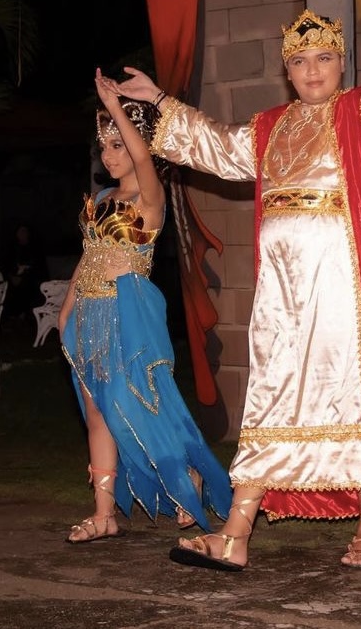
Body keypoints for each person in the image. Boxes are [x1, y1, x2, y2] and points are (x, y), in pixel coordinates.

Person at [101, 0, 361, 571]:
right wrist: (160, 100)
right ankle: (236, 533)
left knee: (355, 393)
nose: (312, 70)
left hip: (346, 290)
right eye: (299, 61)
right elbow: (215, 145)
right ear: (286, 71)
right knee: (269, 394)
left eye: (324, 58)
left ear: (341, 63)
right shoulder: (270, 128)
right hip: (281, 296)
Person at [56, 72, 234, 544]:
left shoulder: (149, 197)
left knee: (134, 402)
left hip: (126, 314)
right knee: (97, 413)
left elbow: (140, 157)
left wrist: (115, 106)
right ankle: (104, 514)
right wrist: (67, 308)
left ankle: (186, 476)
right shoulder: (103, 198)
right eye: (104, 147)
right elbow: (89, 255)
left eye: (118, 145)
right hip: (88, 314)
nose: (109, 155)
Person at [0, 222, 48, 321]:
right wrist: (12, 276)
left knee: (28, 286)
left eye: (24, 231)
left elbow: (39, 267)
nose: (23, 234)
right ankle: (12, 315)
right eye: (20, 232)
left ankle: (24, 314)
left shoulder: (35, 248)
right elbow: (6, 265)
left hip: (30, 278)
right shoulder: (12, 248)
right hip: (13, 277)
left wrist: (25, 274)